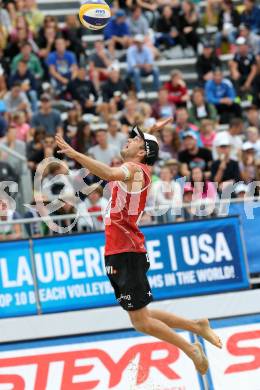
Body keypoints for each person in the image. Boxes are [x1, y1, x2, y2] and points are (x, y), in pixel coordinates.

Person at [55, 117, 222, 377]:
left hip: (127, 251)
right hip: (117, 250)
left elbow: (109, 173)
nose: (129, 139)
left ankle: (191, 350)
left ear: (142, 151)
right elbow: (133, 146)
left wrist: (75, 154)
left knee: (140, 321)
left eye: (135, 140)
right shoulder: (135, 166)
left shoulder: (136, 169)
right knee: (140, 314)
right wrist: (150, 132)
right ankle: (197, 325)